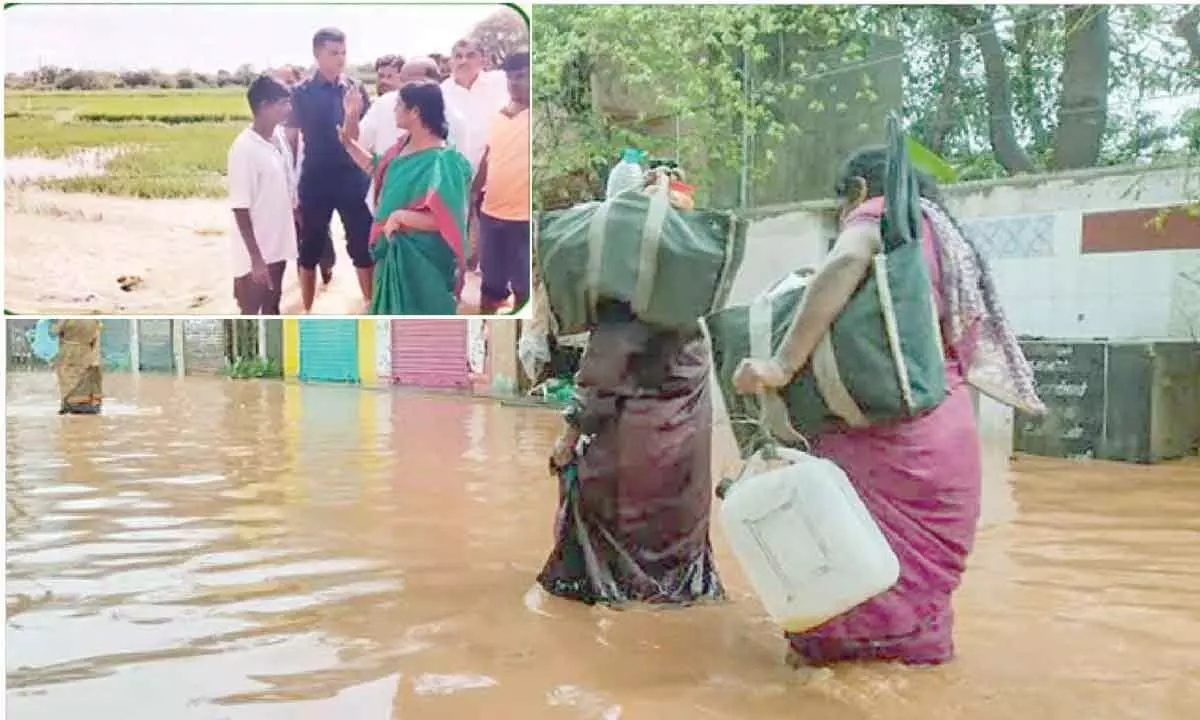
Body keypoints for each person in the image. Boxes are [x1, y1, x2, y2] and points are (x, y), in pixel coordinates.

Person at [731, 145, 1043, 667]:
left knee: (845, 593)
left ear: (857, 191)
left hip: (888, 444)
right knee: (917, 595)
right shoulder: (940, 238)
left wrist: (781, 364)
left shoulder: (880, 216)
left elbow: (848, 259)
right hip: (947, 433)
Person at [537, 300, 726, 606]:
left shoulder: (626, 309)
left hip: (633, 465)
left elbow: (598, 383)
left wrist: (567, 440)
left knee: (599, 516)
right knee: (676, 575)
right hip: (686, 467)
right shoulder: (693, 318)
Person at [339, 80, 472, 315]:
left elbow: (445, 220)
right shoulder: (403, 147)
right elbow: (376, 168)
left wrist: (401, 217)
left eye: (399, 105)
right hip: (392, 252)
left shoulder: (443, 161)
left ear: (415, 112)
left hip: (421, 262)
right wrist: (349, 144)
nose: (394, 110)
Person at [287, 27, 374, 311]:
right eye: (333, 53)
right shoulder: (300, 93)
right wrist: (292, 186)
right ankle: (308, 310)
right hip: (316, 177)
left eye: (343, 52)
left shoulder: (355, 89)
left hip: (352, 177)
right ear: (317, 54)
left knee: (362, 245)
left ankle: (370, 304)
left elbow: (363, 136)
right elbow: (291, 140)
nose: (340, 59)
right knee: (310, 247)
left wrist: (352, 114)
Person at [227, 74, 297, 315]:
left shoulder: (277, 137)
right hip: (256, 254)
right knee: (251, 312)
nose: (288, 108)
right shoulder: (244, 149)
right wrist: (256, 259)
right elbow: (240, 207)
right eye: (282, 103)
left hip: (278, 245)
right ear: (264, 106)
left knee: (272, 306)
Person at [358, 56, 466, 209]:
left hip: (422, 223)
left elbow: (455, 186)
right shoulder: (386, 107)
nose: (402, 88)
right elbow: (371, 157)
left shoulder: (455, 123)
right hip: (384, 213)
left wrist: (403, 217)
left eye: (410, 83)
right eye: (402, 81)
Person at [471, 51, 531, 314]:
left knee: (523, 289)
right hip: (491, 214)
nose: (514, 83)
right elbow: (487, 158)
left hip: (525, 220)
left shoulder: (542, 120)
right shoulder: (496, 117)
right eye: (510, 77)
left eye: (522, 77)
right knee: (490, 288)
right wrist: (472, 195)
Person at [272, 65, 336, 287]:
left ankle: (326, 263)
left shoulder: (304, 114)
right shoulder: (273, 120)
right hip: (286, 183)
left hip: (307, 178)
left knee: (315, 227)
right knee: (299, 232)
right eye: (279, 83)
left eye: (288, 82)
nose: (284, 87)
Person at [52, 319, 103, 415]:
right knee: (84, 375)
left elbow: (55, 330)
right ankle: (87, 404)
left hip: (68, 351)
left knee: (67, 377)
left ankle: (71, 404)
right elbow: (96, 335)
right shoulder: (95, 321)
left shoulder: (67, 317)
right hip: (87, 350)